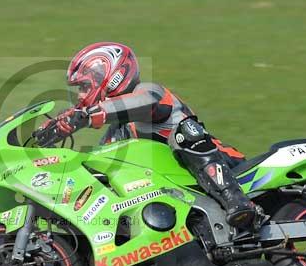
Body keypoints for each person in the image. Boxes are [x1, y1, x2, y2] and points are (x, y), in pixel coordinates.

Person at [36, 42, 260, 233]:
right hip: (183, 194)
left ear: (110, 77)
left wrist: (87, 115)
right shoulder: (117, 132)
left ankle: (236, 200)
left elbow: (139, 104)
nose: (81, 95)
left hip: (230, 166)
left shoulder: (150, 92)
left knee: (185, 132)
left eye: (84, 86)